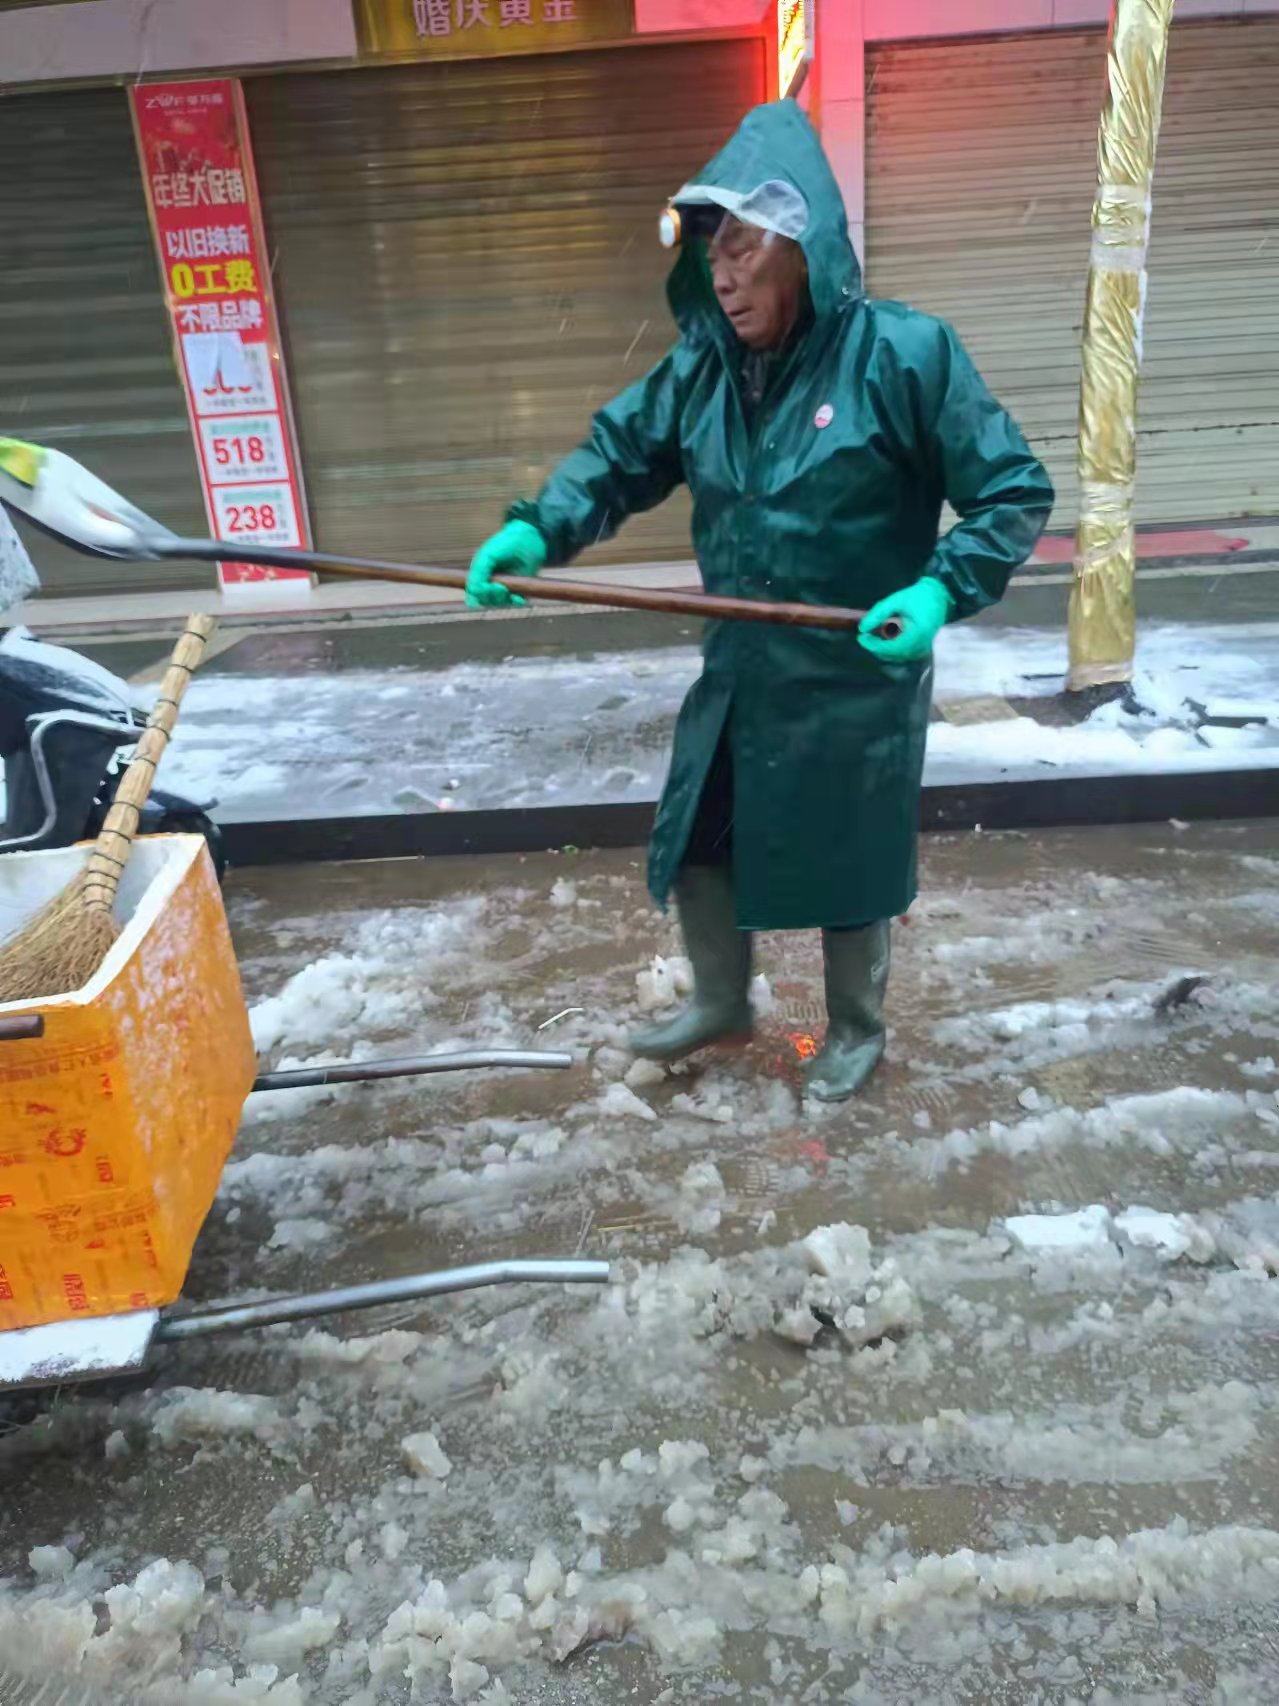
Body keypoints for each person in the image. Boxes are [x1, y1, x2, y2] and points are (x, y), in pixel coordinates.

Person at [468, 100, 1053, 1102]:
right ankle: (720, 1000)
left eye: (741, 248)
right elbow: (618, 455)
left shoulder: (905, 355)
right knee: (703, 835)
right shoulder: (704, 367)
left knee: (849, 861)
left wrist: (936, 588)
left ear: (802, 245)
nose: (723, 276)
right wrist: (540, 528)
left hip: (854, 672)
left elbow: (1012, 490)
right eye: (711, 255)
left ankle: (855, 1025)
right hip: (740, 666)